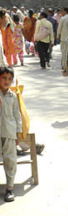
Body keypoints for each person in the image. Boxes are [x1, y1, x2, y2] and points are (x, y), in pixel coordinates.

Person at [0, 66, 22, 202]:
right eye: (3, 78)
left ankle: (9, 188)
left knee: (10, 160)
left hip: (9, 132)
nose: (6, 81)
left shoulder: (13, 97)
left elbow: (17, 115)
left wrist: (18, 133)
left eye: (9, 79)